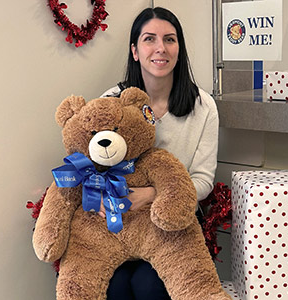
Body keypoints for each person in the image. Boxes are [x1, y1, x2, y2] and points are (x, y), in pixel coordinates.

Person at [99, 6, 219, 300]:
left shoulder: (203, 107)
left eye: (170, 39)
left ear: (179, 49)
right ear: (135, 50)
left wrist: (152, 194)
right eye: (149, 39)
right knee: (113, 285)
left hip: (172, 227)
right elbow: (92, 166)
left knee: (148, 284)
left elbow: (203, 181)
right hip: (120, 226)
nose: (160, 48)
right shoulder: (111, 102)